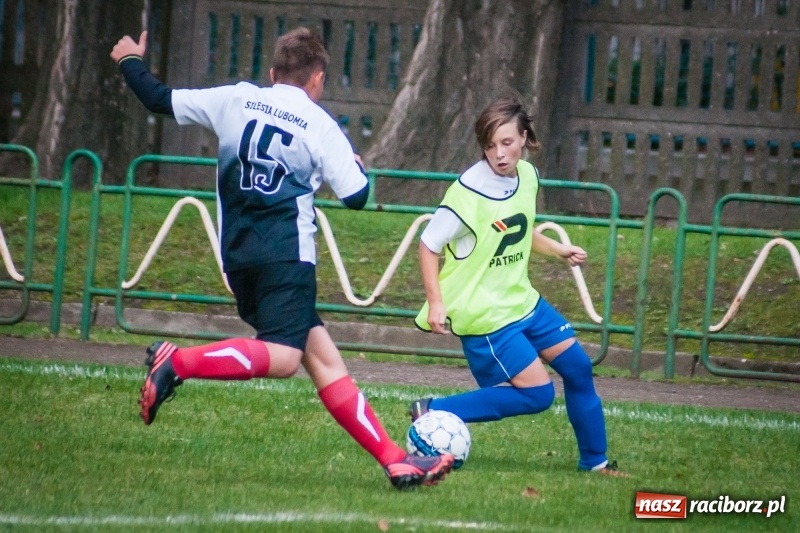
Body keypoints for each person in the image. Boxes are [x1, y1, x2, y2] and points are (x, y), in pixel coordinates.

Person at [110, 27, 453, 489]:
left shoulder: (236, 98)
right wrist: (353, 164)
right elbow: (357, 196)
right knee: (286, 358)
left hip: (237, 255)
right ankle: (178, 362)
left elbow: (158, 98)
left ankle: (396, 461)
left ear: (273, 74)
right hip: (287, 255)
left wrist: (130, 59)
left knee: (326, 362)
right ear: (318, 79)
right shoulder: (318, 122)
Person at [410, 92, 626, 476]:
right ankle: (435, 410)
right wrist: (436, 303)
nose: (499, 153)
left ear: (524, 137)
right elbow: (428, 245)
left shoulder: (528, 175)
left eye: (507, 142)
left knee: (578, 367)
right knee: (539, 394)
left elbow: (518, 230)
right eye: (490, 145)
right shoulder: (466, 194)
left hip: (522, 301)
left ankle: (596, 463)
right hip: (485, 314)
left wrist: (558, 250)